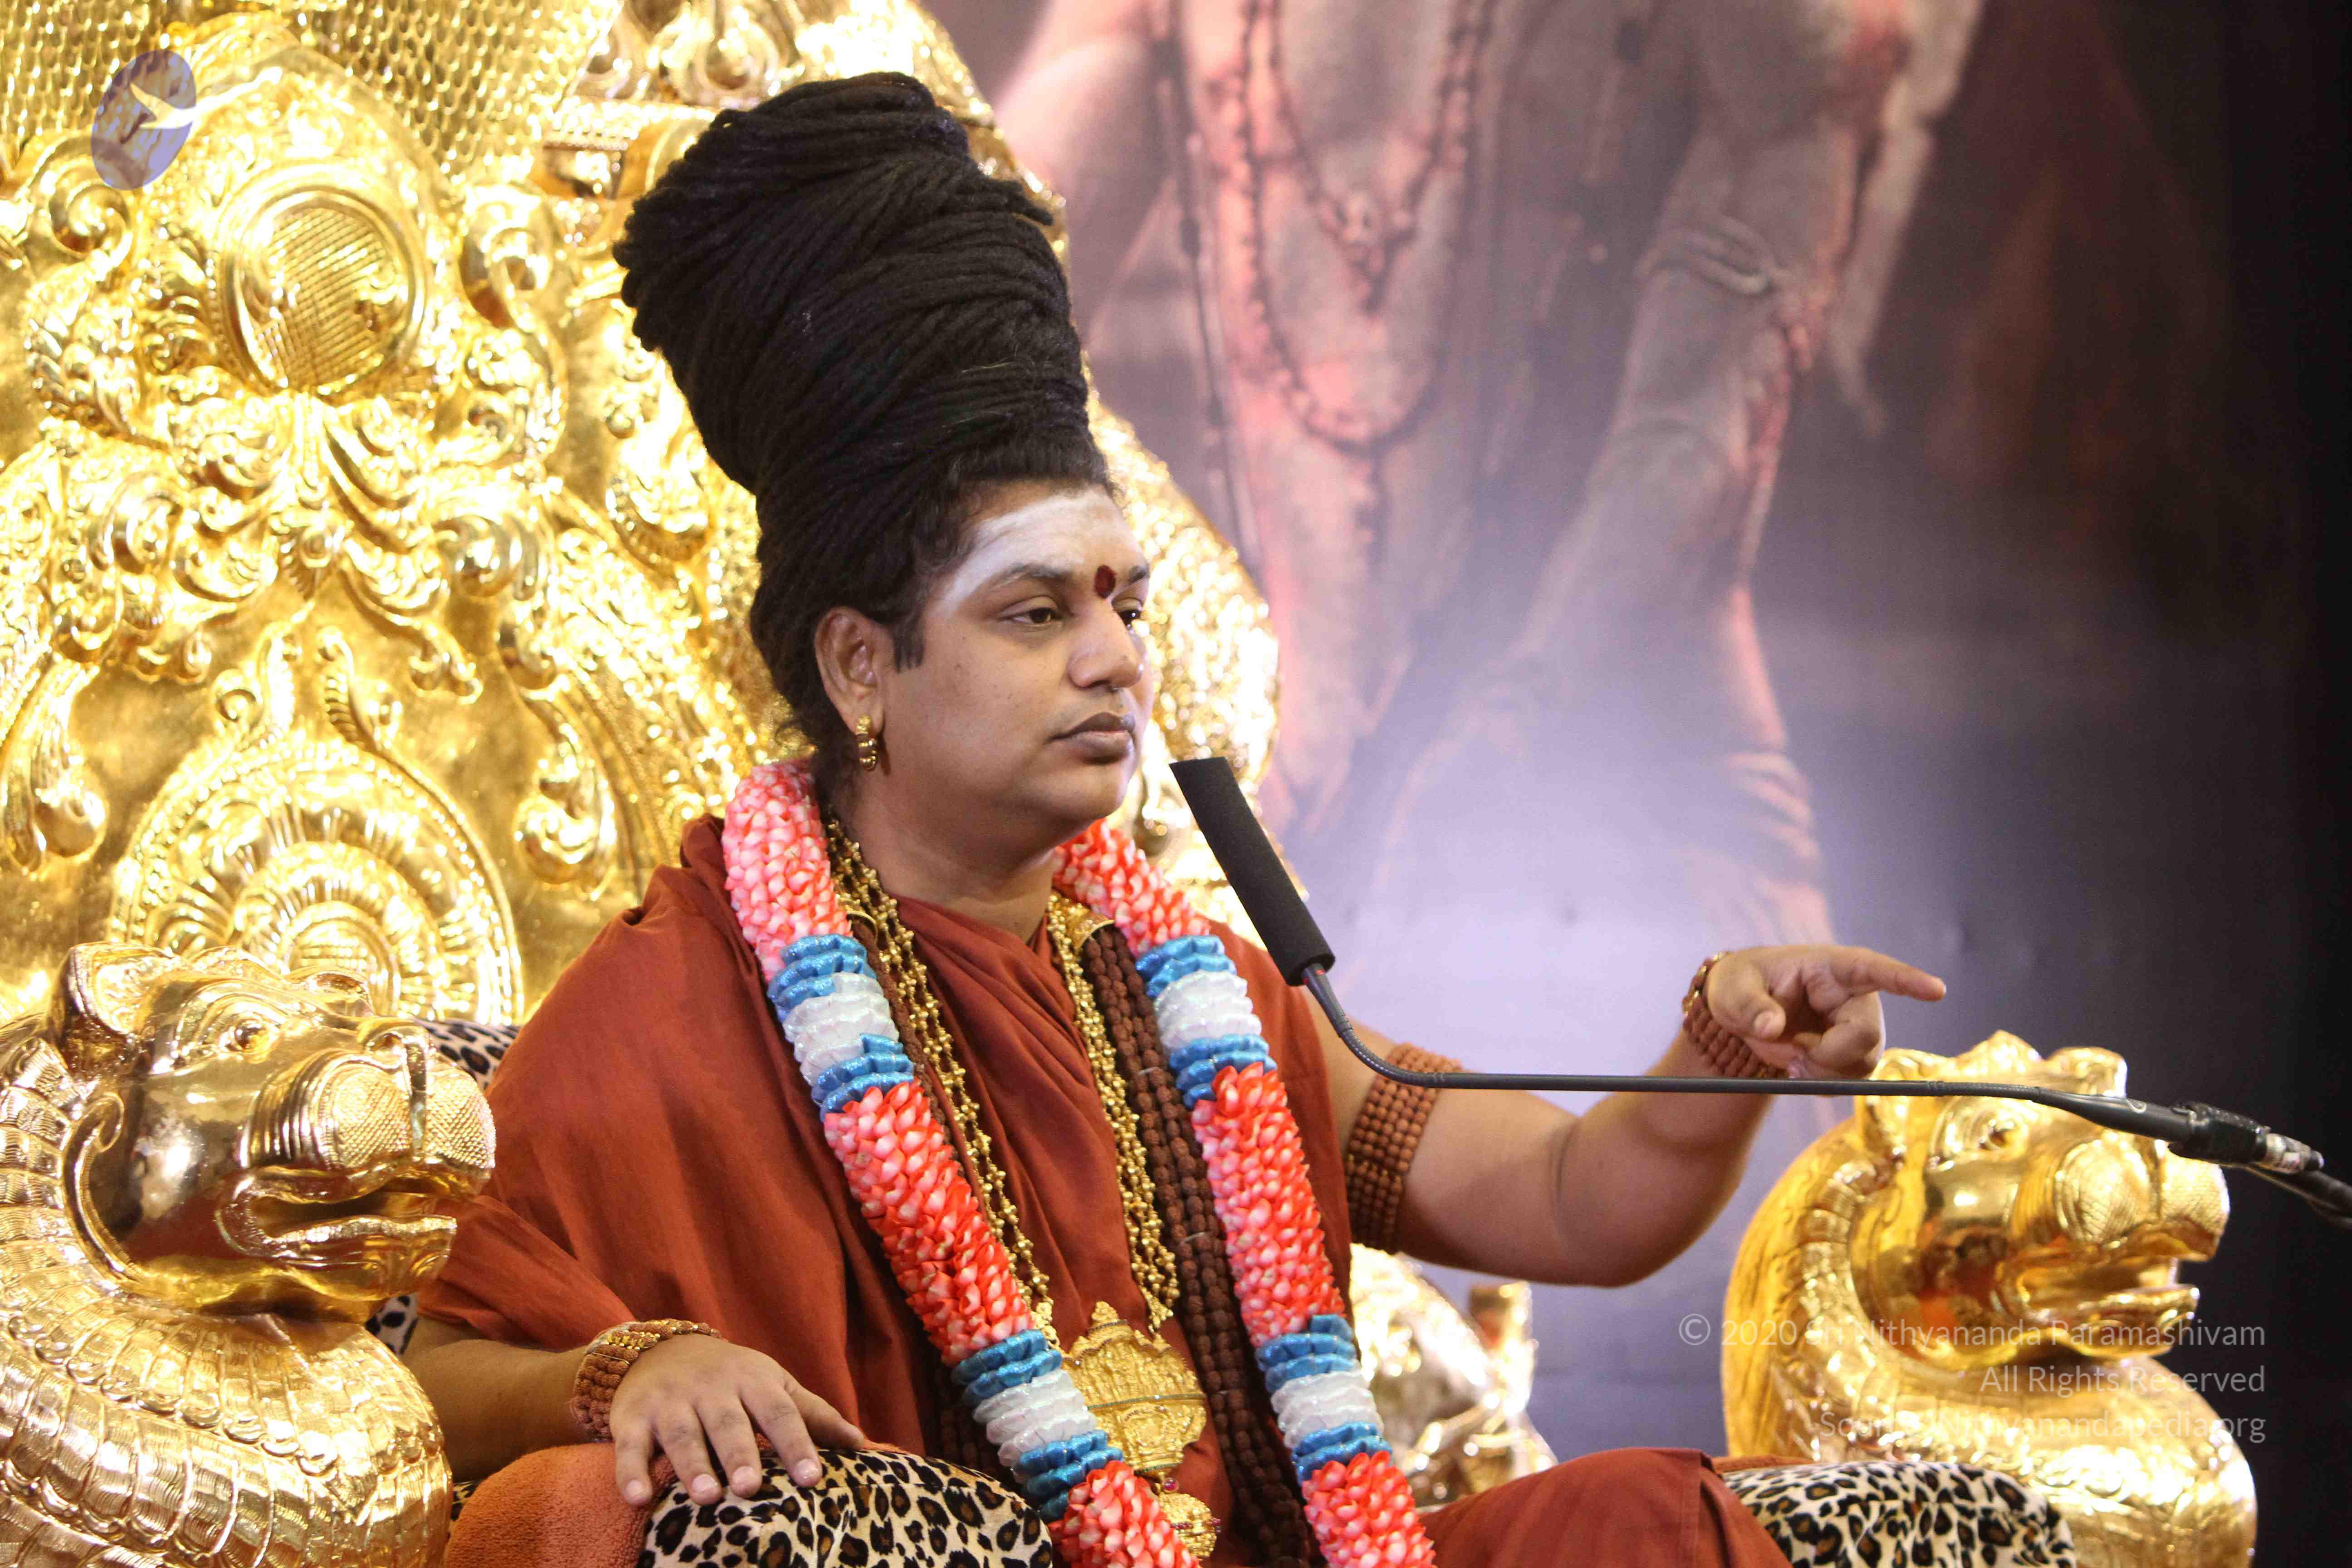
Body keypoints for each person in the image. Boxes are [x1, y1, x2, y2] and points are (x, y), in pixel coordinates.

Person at [405, 73, 2019, 1568]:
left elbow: (1572, 1200)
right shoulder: (676, 1004)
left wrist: (1724, 1046)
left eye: (1122, 599)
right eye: (1035, 613)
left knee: (1744, 1531)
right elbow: (433, 1368)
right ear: (859, 665)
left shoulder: (1201, 999)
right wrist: (630, 1369)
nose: (1114, 657)